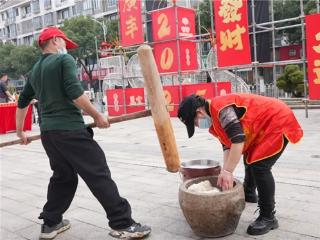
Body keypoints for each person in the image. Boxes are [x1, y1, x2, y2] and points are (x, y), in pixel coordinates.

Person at [16, 27, 151, 240]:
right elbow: (75, 93)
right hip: (69, 130)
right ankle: (122, 223)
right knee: (97, 172)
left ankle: (51, 223)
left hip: (49, 134)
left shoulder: (35, 70)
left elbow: (23, 101)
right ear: (53, 40)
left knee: (64, 177)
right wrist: (98, 115)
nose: (66, 49)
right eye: (64, 44)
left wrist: (19, 131)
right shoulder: (63, 62)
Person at [178, 93, 303, 236]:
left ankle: (268, 217)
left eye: (194, 122)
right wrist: (224, 171)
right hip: (265, 125)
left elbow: (238, 140)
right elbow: (228, 146)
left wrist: (229, 171)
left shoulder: (222, 110)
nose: (196, 125)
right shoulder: (214, 120)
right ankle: (248, 193)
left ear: (199, 112)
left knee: (260, 166)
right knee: (250, 157)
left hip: (278, 119)